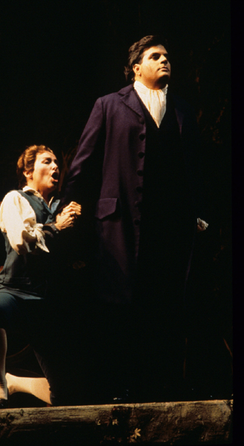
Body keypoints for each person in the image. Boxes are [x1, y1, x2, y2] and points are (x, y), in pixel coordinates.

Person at [60, 35, 209, 402]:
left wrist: (199, 212)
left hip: (169, 225)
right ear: (136, 67)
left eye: (167, 56)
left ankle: (167, 387)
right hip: (121, 222)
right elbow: (84, 160)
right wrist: (68, 203)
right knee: (122, 304)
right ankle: (121, 387)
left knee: (167, 304)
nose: (164, 61)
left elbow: (195, 168)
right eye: (155, 56)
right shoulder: (109, 105)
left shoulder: (182, 110)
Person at [0, 145, 81, 408]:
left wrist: (77, 227)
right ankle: (0, 383)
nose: (56, 166)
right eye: (48, 161)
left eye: (58, 162)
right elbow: (22, 243)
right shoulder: (16, 199)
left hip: (46, 299)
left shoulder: (63, 207)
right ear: (28, 171)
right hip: (14, 287)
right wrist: (56, 227)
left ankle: (15, 382)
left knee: (64, 396)